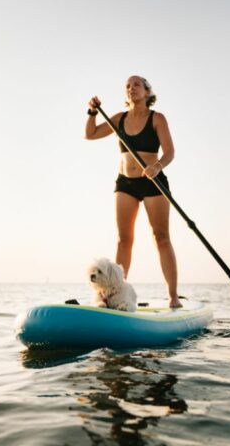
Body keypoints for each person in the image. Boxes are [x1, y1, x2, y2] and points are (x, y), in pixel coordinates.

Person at [85, 76, 181, 308]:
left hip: (153, 182)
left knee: (161, 237)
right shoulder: (119, 118)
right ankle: (115, 294)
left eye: (137, 85)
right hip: (125, 183)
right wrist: (92, 113)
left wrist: (157, 166)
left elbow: (169, 152)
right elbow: (91, 134)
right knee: (123, 239)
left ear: (147, 92)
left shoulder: (157, 118)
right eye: (128, 86)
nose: (131, 88)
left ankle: (173, 296)